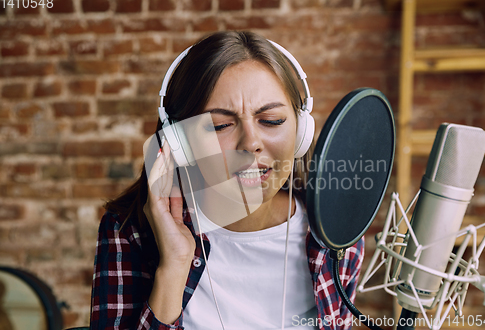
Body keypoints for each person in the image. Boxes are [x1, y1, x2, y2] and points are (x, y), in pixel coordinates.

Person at [90, 31, 363, 330]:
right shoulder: (130, 232)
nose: (251, 143)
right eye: (220, 125)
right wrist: (174, 267)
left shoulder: (336, 232)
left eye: (272, 120)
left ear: (301, 131)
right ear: (180, 142)